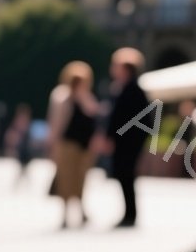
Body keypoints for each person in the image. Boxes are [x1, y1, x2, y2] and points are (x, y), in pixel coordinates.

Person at [47, 60, 98, 229]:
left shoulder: (86, 97)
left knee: (81, 180)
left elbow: (93, 115)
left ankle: (82, 211)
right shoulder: (61, 96)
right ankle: (65, 214)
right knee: (65, 180)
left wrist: (82, 97)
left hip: (84, 146)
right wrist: (53, 145)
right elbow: (56, 122)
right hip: (67, 144)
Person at [106, 47, 150, 228]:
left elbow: (134, 119)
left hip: (128, 143)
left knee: (126, 176)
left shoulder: (133, 90)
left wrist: (116, 137)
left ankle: (130, 215)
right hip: (125, 142)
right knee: (124, 176)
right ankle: (129, 213)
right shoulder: (125, 88)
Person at [3, 103, 34, 186]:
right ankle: (21, 183)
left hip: (24, 147)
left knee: (24, 167)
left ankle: (21, 183)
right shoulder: (20, 121)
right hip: (22, 147)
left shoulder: (24, 121)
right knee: (23, 167)